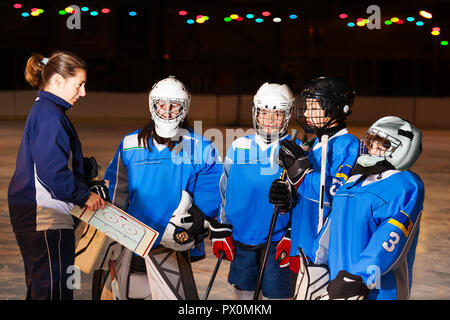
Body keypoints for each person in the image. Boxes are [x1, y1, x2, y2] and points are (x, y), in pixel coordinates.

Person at [102, 76, 222, 299]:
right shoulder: (130, 143)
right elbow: (117, 189)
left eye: (174, 105)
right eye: (161, 105)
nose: (167, 111)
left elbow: (213, 188)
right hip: (134, 237)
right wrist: (112, 232)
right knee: (134, 293)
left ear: (183, 109)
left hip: (175, 239)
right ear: (152, 105)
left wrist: (199, 217)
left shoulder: (200, 146)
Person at [7, 51, 106, 300]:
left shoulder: (47, 110)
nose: (83, 93)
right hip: (45, 217)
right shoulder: (51, 116)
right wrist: (85, 196)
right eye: (79, 85)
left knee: (44, 288)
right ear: (59, 81)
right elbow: (52, 173)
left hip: (35, 214)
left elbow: (49, 160)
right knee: (54, 292)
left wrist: (82, 169)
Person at [309, 116, 424, 300]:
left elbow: (390, 238)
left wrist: (359, 277)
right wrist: (316, 260)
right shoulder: (353, 181)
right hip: (339, 284)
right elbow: (332, 224)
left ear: (403, 150)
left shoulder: (405, 185)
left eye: (382, 145)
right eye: (371, 142)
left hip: (379, 290)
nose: (371, 149)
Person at [215, 82, 297, 300]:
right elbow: (224, 190)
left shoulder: (294, 153)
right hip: (242, 238)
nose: (269, 121)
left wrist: (292, 234)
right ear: (256, 114)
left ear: (286, 116)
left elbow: (304, 200)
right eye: (264, 113)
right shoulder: (239, 146)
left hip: (277, 240)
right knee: (244, 296)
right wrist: (223, 227)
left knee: (278, 296)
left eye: (277, 114)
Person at [270, 76, 360, 274]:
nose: (307, 113)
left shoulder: (348, 145)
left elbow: (333, 195)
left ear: (336, 108)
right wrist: (287, 199)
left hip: (324, 251)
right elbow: (305, 196)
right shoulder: (314, 145)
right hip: (302, 242)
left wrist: (299, 174)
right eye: (307, 106)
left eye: (313, 107)